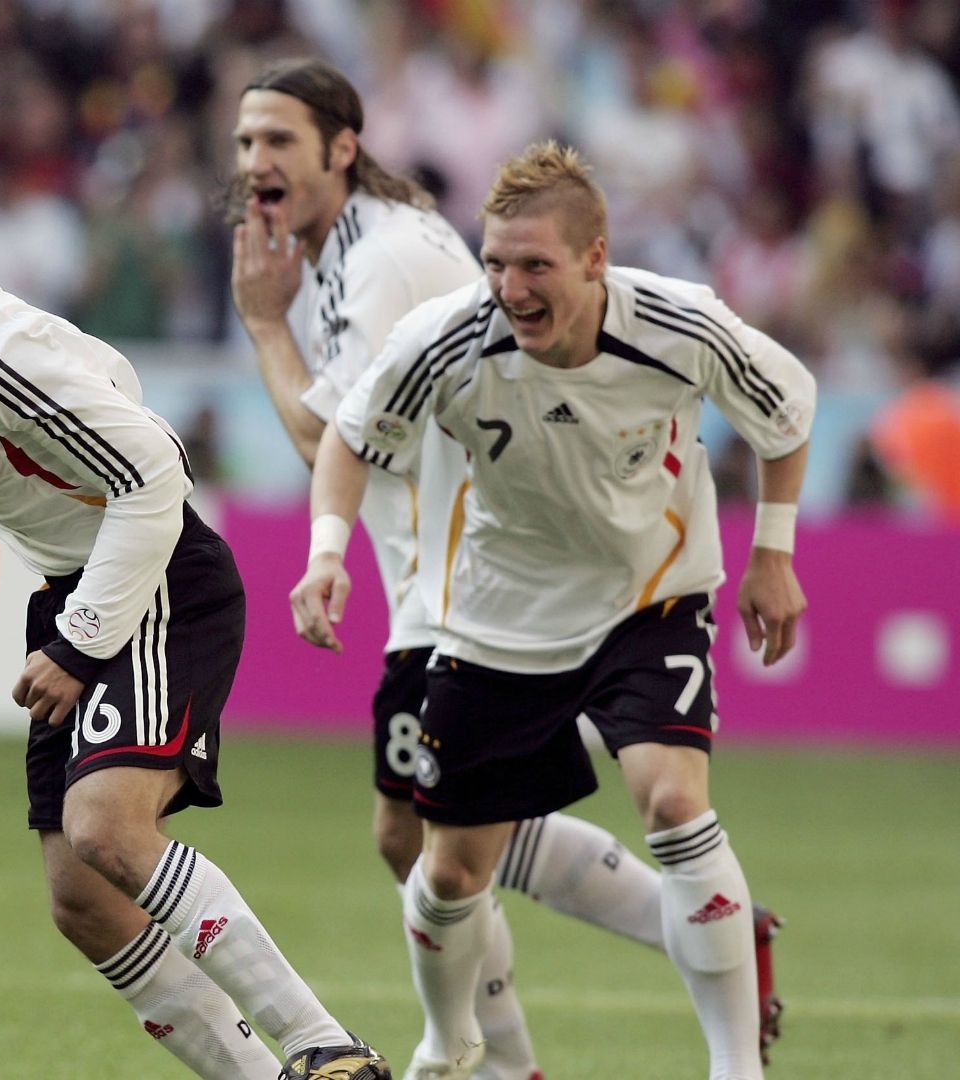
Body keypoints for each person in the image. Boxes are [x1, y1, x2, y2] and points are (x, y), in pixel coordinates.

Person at [0, 130, 391, 1080]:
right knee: (83, 900)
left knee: (110, 829)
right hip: (84, 593)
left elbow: (152, 469)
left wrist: (79, 640)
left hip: (153, 583)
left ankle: (325, 1049)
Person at [230, 60, 783, 1079]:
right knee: (431, 846)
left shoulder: (385, 256)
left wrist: (265, 328)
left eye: (277, 143)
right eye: (244, 143)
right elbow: (355, 435)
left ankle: (521, 1052)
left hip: (464, 588)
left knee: (444, 834)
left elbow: (329, 444)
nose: (253, 165)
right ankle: (645, 953)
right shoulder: (359, 255)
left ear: (343, 150)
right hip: (476, 592)